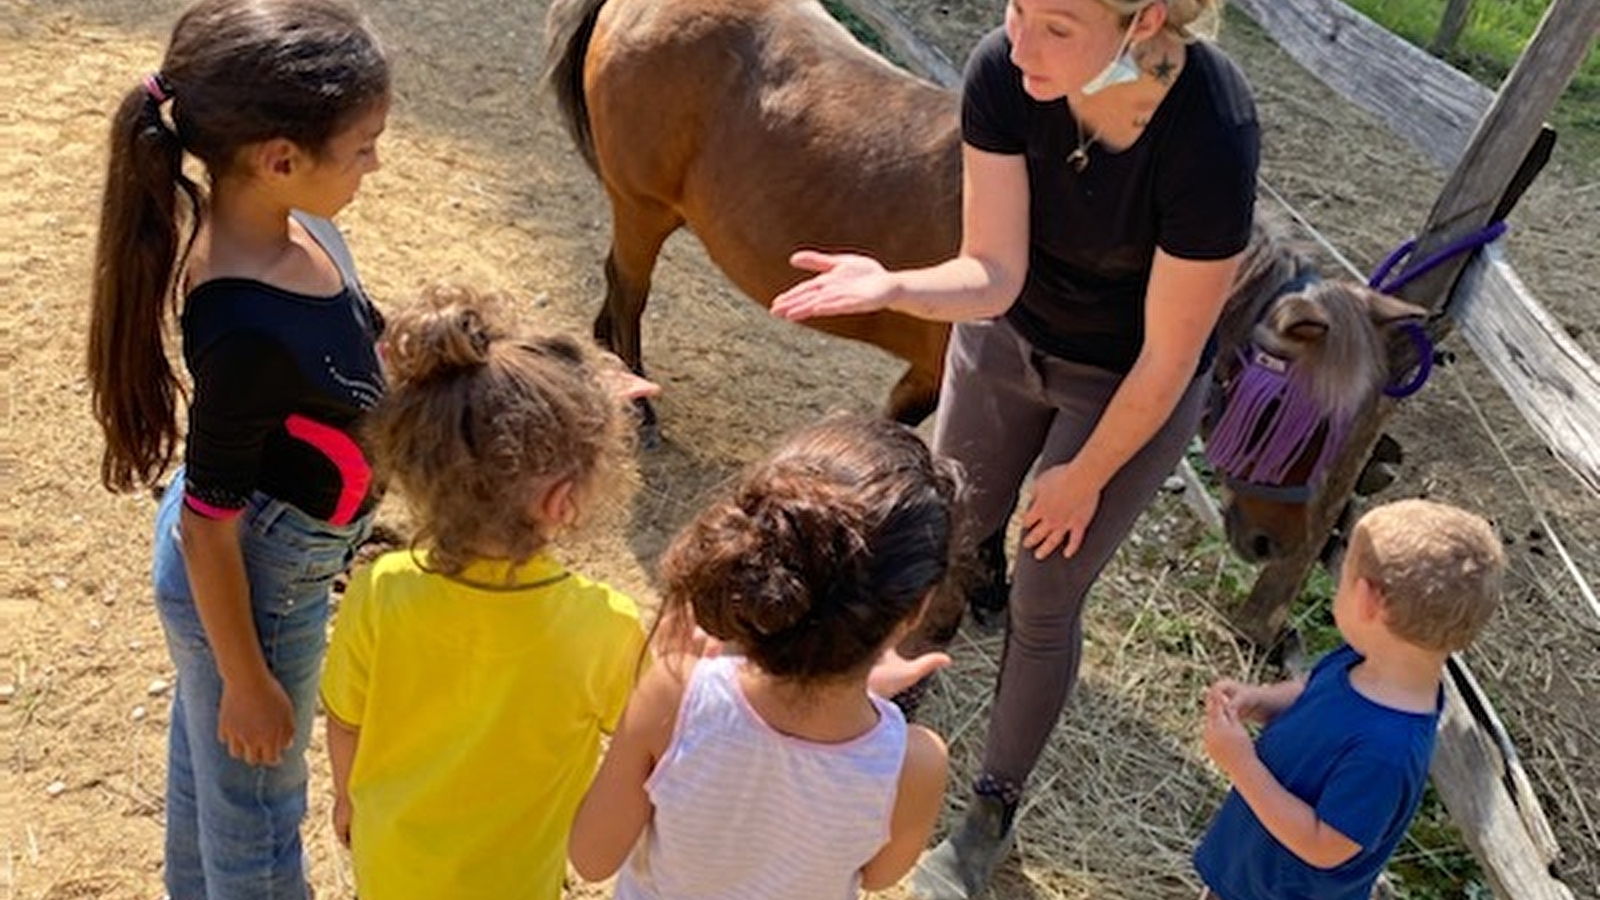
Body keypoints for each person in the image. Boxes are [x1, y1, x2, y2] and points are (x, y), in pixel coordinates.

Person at [770, 0, 1259, 895]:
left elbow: (1168, 356)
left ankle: (988, 812)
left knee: (1045, 588)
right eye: (1017, 7)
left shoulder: (1210, 133)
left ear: (1145, 19)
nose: (1021, 41)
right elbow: (993, 271)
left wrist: (1084, 476)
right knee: (942, 541)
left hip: (1126, 381)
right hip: (1005, 341)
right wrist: (895, 285)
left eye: (1059, 27)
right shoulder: (1003, 71)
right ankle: (878, 714)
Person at [85, 1, 390, 896]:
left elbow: (365, 340)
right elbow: (205, 526)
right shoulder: (245, 325)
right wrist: (247, 679)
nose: (375, 165)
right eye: (363, 147)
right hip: (257, 588)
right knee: (257, 818)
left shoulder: (301, 230)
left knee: (213, 791)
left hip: (262, 566)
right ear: (281, 159)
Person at [319, 285, 649, 900]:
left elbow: (345, 719)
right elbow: (649, 745)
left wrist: (345, 797)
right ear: (563, 502)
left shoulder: (381, 590)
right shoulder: (605, 629)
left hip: (390, 867)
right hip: (515, 881)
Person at [568, 415, 955, 900]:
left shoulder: (675, 695)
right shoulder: (914, 764)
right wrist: (858, 696)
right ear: (916, 609)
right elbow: (878, 875)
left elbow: (592, 857)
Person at [1195, 498, 1504, 900]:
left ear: (1366, 599)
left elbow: (1323, 844)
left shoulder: (1387, 752)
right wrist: (1260, 701)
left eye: (1342, 577)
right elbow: (1313, 692)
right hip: (1250, 868)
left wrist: (1241, 763)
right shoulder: (1362, 660)